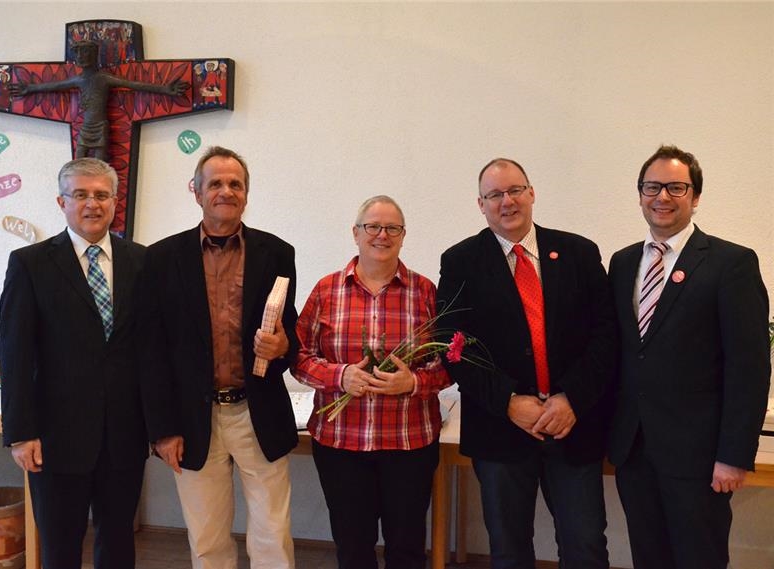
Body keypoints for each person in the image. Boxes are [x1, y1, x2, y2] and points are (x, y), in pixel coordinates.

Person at [436, 158, 616, 569]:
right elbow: (452, 346)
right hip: (500, 429)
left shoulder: (579, 253)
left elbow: (606, 337)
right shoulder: (461, 260)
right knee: (509, 549)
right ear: (480, 205)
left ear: (532, 193)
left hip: (573, 424)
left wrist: (571, 399)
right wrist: (508, 402)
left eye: (515, 190)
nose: (507, 201)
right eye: (495, 195)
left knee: (585, 545)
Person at [608, 145, 770, 569]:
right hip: (635, 449)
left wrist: (734, 454)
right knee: (648, 556)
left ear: (695, 197)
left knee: (699, 558)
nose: (662, 196)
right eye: (652, 187)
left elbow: (749, 368)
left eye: (676, 187)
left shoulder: (730, 263)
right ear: (640, 194)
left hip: (699, 457)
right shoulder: (623, 263)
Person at [137, 146, 298, 569]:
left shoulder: (278, 253)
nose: (226, 191)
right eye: (216, 183)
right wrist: (162, 429)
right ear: (197, 192)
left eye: (235, 184)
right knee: (206, 538)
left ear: (246, 193)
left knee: (272, 535)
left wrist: (283, 348)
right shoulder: (161, 258)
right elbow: (150, 352)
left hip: (257, 410)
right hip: (192, 418)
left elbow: (289, 332)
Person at [0, 157, 147, 569]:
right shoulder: (30, 264)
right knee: (61, 549)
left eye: (101, 195)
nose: (91, 203)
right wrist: (20, 432)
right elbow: (15, 352)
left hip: (123, 434)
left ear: (115, 202)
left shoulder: (142, 261)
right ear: (61, 201)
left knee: (118, 543)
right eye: (80, 194)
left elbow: (151, 349)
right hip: (54, 439)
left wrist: (160, 424)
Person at [292, 195, 450, 569]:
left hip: (409, 443)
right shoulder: (326, 291)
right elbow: (296, 357)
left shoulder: (425, 292)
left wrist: (413, 382)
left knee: (408, 549)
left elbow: (449, 364)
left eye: (391, 228)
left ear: (403, 235)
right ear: (356, 233)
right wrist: (339, 376)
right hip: (341, 445)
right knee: (353, 549)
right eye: (372, 227)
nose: (382, 234)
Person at [8, 40, 187, 160]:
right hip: (86, 129)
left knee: (100, 170)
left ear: (94, 55)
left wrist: (163, 89)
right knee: (78, 167)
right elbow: (53, 86)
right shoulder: (78, 80)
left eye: (85, 52)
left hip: (100, 128)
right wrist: (29, 88)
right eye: (78, 53)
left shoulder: (103, 78)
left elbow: (133, 84)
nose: (80, 56)